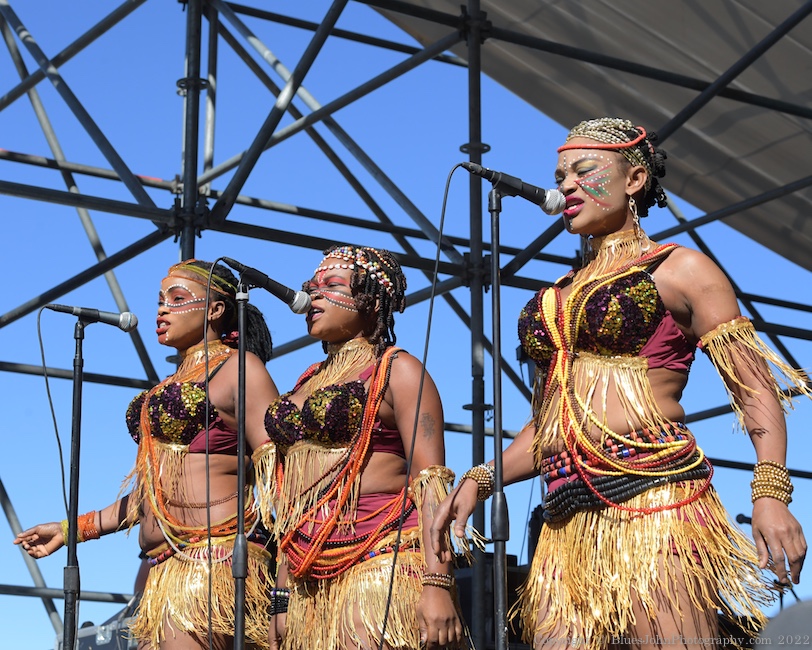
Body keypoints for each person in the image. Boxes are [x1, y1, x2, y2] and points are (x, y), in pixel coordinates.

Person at [430, 118, 810, 649]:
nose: (565, 185)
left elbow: (753, 388)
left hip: (655, 508)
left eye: (584, 170)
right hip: (564, 527)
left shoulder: (681, 269)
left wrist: (770, 493)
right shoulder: (553, 297)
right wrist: (482, 478)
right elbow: (546, 426)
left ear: (633, 180)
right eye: (560, 175)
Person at [15, 259, 280, 650]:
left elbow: (281, 470)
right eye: (160, 300)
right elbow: (148, 498)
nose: (162, 309)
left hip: (215, 565)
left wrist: (288, 585)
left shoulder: (240, 368)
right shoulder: (166, 387)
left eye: (177, 298)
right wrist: (71, 531)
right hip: (162, 568)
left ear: (215, 309)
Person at [253, 245, 470, 650]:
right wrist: (281, 598)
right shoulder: (304, 382)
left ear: (371, 302)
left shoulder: (398, 369)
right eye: (311, 287)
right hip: (307, 581)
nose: (314, 296)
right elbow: (290, 506)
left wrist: (437, 582)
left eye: (331, 286)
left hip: (379, 564)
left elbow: (431, 485)